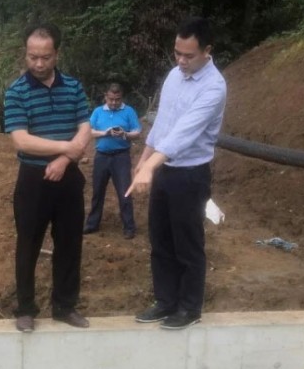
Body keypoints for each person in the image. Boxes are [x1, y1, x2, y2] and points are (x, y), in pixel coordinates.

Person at [126, 17, 227, 330]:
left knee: (187, 243)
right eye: (177, 54)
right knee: (160, 239)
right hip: (164, 169)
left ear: (207, 51)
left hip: (190, 175)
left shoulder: (214, 87)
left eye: (189, 56)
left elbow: (184, 133)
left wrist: (150, 166)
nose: (181, 61)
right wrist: (143, 162)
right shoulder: (174, 75)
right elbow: (163, 124)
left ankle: (189, 307)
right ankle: (165, 300)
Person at [4, 22, 92, 333]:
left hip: (67, 178)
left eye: (45, 57)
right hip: (32, 179)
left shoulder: (73, 86)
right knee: (28, 244)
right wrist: (66, 148)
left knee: (70, 243)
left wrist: (65, 159)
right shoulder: (16, 92)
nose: (38, 64)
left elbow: (85, 127)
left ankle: (64, 306)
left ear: (57, 53)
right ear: (25, 54)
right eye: (32, 57)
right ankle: (25, 308)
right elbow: (22, 140)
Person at [84, 83, 142, 238]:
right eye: (111, 99)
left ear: (121, 97)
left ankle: (129, 227)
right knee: (97, 191)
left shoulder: (129, 111)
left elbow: (137, 132)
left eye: (117, 99)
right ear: (105, 97)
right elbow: (89, 131)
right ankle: (92, 224)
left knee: (124, 192)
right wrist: (105, 133)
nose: (114, 103)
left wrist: (125, 134)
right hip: (101, 156)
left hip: (121, 156)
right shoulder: (97, 112)